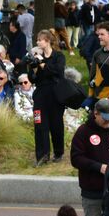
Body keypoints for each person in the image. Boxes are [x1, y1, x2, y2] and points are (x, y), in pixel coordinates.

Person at [70, 99, 109, 216]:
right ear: (96, 113)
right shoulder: (83, 131)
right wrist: (98, 167)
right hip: (92, 190)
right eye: (105, 118)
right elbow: (76, 159)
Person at [25, 29, 67, 165]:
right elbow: (32, 78)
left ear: (47, 41)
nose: (37, 42)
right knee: (40, 125)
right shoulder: (36, 57)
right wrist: (35, 68)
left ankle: (58, 152)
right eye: (37, 40)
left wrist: (42, 63)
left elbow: (58, 72)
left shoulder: (58, 56)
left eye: (40, 40)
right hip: (40, 95)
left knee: (56, 125)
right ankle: (42, 156)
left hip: (55, 95)